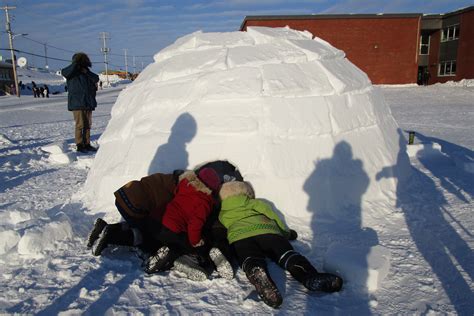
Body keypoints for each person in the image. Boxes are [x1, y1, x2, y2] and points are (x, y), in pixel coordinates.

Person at [218, 181, 343, 308]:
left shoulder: (222, 213)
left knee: (249, 258)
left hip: (240, 237)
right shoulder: (255, 203)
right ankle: (310, 277)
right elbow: (273, 216)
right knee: (286, 255)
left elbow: (222, 227)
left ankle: (256, 270)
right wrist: (286, 233)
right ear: (246, 193)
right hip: (267, 232)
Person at [147, 168, 233, 281]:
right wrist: (195, 242)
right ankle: (179, 259)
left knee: (171, 242)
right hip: (176, 229)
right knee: (186, 246)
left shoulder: (185, 185)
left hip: (163, 223)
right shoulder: (204, 201)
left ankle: (163, 254)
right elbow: (195, 225)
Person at [61, 52, 99, 153]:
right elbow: (64, 72)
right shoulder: (71, 74)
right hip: (77, 103)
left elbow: (96, 78)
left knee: (87, 125)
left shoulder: (87, 73)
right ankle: (79, 144)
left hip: (88, 102)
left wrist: (86, 71)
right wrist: (76, 64)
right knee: (80, 124)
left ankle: (86, 143)